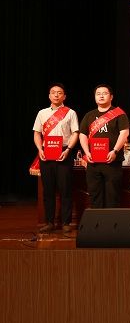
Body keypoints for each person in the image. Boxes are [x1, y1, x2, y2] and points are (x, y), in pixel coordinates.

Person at [31, 83, 80, 233]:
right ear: (49, 96)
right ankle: (49, 222)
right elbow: (37, 133)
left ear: (64, 96)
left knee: (65, 189)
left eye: (59, 93)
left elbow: (75, 133)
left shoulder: (70, 113)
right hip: (46, 153)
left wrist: (69, 149)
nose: (56, 95)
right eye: (53, 92)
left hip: (64, 152)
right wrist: (40, 149)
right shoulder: (42, 113)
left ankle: (66, 222)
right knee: (48, 190)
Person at [79, 84, 130, 209]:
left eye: (104, 93)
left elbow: (124, 133)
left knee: (113, 195)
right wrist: (87, 152)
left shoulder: (119, 114)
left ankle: (112, 221)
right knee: (95, 195)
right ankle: (97, 221)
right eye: (98, 94)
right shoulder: (89, 115)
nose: (101, 96)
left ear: (111, 97)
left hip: (112, 161)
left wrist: (115, 151)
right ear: (95, 97)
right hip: (93, 162)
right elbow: (82, 135)